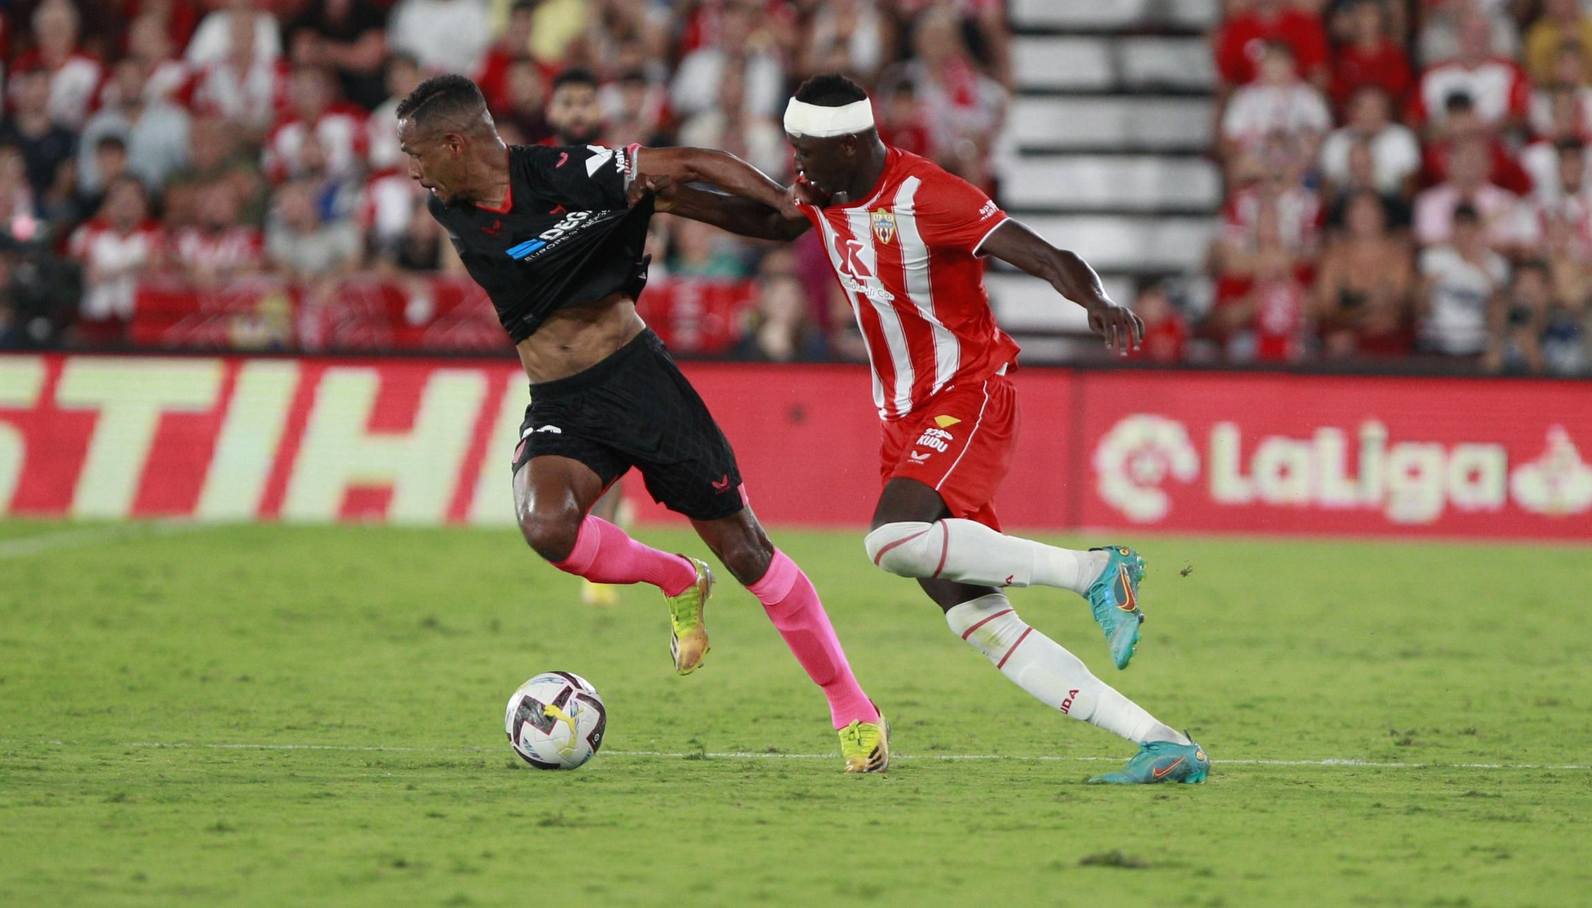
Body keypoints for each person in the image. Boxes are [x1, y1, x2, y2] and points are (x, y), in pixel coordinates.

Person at [653, 73, 1210, 786]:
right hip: (907, 419)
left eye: (806, 151)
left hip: (969, 392)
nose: (796, 164)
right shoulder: (825, 189)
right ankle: (1161, 741)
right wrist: (663, 197)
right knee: (977, 619)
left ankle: (1097, 570)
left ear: (852, 144)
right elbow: (770, 222)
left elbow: (1042, 253)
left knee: (891, 541)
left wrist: (1095, 300)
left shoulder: (927, 195)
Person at [394, 74, 889, 772]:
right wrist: (633, 204)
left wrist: (783, 206)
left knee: (750, 553)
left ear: (453, 143)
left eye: (416, 153)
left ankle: (853, 707)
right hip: (562, 401)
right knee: (547, 527)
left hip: (640, 382)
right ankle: (677, 578)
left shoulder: (559, 173)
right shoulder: (452, 206)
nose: (411, 171)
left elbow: (682, 168)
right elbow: (631, 201)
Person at [543, 66, 630, 611]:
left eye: (584, 101)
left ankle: (599, 563)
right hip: (552, 331)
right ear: (553, 111)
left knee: (615, 444)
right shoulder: (531, 170)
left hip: (610, 323)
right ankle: (585, 541)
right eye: (566, 101)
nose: (576, 110)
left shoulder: (615, 168)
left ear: (596, 109)